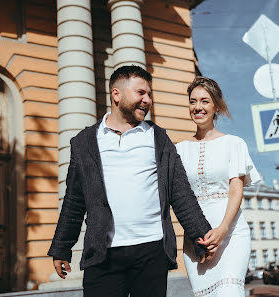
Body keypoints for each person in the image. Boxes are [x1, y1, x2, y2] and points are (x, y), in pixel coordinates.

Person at [47, 65, 215, 297]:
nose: (148, 100)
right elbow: (74, 200)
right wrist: (62, 247)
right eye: (141, 93)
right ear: (116, 94)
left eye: (149, 94)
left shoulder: (158, 138)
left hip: (151, 252)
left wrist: (201, 234)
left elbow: (180, 193)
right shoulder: (85, 142)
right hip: (102, 254)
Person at [176, 77, 261, 296]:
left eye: (204, 101)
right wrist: (199, 237)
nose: (198, 107)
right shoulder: (179, 150)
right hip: (196, 239)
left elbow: (236, 190)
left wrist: (222, 230)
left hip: (231, 234)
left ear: (216, 106)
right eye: (193, 101)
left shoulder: (234, 144)